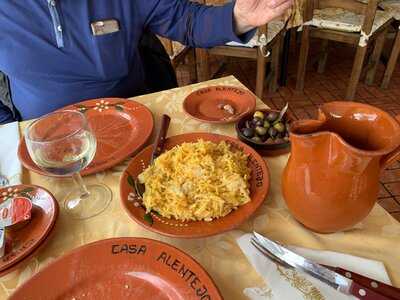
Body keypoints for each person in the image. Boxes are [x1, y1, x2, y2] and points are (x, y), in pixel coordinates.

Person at [0, 0, 292, 123]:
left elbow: (185, 20)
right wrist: (10, 134)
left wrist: (238, 18)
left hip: (134, 125)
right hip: (44, 141)